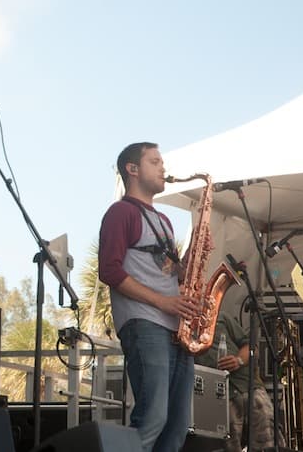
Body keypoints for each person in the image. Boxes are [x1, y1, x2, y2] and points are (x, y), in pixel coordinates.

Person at [98, 142, 199, 451]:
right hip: (146, 323)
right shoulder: (121, 212)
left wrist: (191, 267)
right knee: (152, 418)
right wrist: (163, 302)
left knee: (178, 425)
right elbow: (110, 272)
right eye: (154, 161)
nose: (163, 168)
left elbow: (169, 270)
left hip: (176, 328)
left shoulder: (164, 222)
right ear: (132, 169)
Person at [199, 307, 286, 452]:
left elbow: (251, 348)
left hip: (249, 386)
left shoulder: (221, 316)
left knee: (269, 441)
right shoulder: (180, 327)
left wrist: (238, 360)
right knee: (229, 445)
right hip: (219, 396)